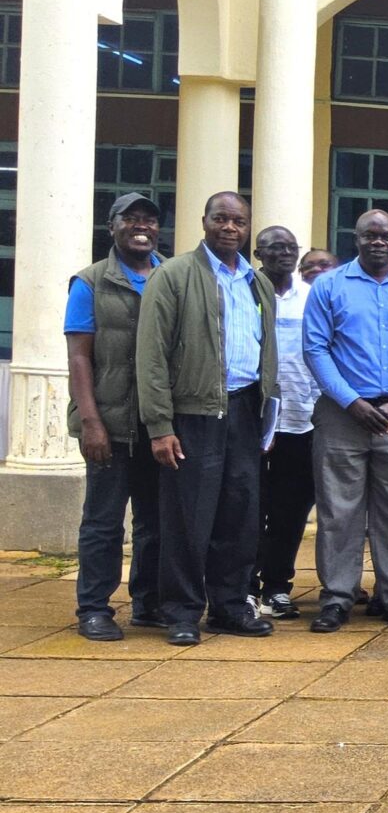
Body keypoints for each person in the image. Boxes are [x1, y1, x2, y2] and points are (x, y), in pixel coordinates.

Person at [133, 191, 277, 645]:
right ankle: (181, 611)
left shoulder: (258, 284)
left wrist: (266, 412)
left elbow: (266, 349)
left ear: (247, 227)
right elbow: (151, 356)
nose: (229, 228)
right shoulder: (173, 276)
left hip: (245, 409)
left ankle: (231, 607)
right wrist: (160, 426)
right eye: (221, 219)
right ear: (204, 221)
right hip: (192, 414)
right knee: (187, 518)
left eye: (238, 221)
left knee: (240, 516)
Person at [301, 210, 388, 633]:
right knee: (338, 511)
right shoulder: (329, 286)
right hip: (343, 414)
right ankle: (337, 598)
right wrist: (350, 401)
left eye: (385, 235)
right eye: (369, 235)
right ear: (356, 238)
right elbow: (315, 349)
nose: (377, 242)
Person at [66, 192, 166, 641]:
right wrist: (91, 421)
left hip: (158, 425)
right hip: (109, 423)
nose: (141, 226)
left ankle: (147, 603)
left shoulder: (171, 277)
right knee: (104, 522)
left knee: (155, 521)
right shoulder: (89, 282)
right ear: (112, 227)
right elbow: (79, 358)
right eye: (131, 218)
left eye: (149, 219)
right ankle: (93, 608)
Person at [251, 225, 316, 620]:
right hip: (252, 421)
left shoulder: (311, 299)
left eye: (291, 247)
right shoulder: (245, 293)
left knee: (290, 511)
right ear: (259, 254)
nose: (284, 254)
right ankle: (244, 585)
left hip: (300, 420)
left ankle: (277, 586)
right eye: (275, 247)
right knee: (248, 507)